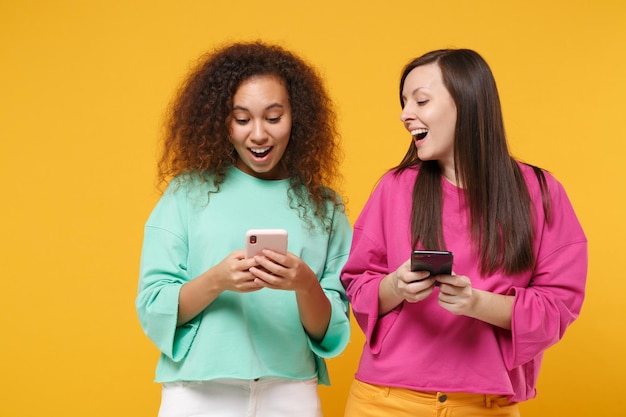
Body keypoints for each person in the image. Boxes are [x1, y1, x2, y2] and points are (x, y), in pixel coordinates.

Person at [340, 49, 587, 417]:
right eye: (405, 102)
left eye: (421, 100)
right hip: (383, 402)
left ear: (468, 103)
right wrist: (395, 286)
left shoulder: (541, 191)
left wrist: (477, 303)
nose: (406, 114)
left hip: (487, 405)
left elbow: (558, 306)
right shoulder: (394, 188)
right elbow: (356, 283)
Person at [136, 41, 352, 417]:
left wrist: (304, 283)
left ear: (296, 117)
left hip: (291, 391)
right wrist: (219, 279)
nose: (258, 135)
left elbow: (331, 329)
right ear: (221, 122)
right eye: (241, 119)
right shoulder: (187, 194)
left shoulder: (325, 206)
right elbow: (154, 306)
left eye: (273, 117)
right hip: (199, 392)